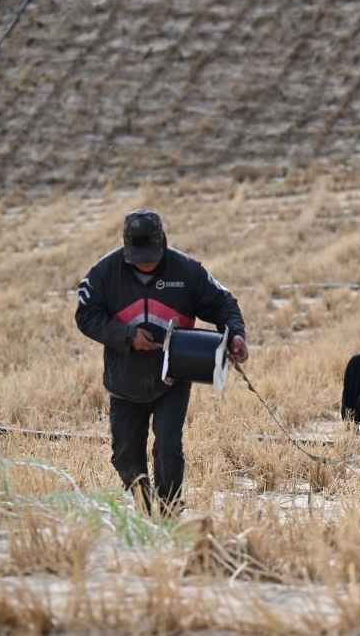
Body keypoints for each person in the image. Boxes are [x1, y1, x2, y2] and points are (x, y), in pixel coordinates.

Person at [76, 208, 248, 518]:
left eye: (150, 255)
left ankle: (169, 512)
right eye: (138, 256)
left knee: (168, 447)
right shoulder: (104, 273)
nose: (145, 261)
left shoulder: (188, 271)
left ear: (163, 242)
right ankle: (143, 505)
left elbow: (224, 303)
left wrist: (235, 334)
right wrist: (126, 336)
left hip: (173, 377)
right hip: (124, 379)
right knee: (124, 456)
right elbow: (86, 315)